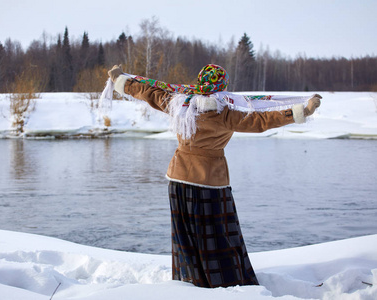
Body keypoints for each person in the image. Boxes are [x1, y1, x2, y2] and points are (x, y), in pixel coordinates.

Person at [107, 64, 321, 288]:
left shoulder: (179, 103)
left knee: (185, 234)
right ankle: (222, 284)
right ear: (223, 86)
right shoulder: (226, 113)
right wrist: (301, 111)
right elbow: (262, 121)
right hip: (211, 182)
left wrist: (121, 80)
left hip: (178, 178)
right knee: (218, 234)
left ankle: (189, 281)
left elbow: (150, 93)